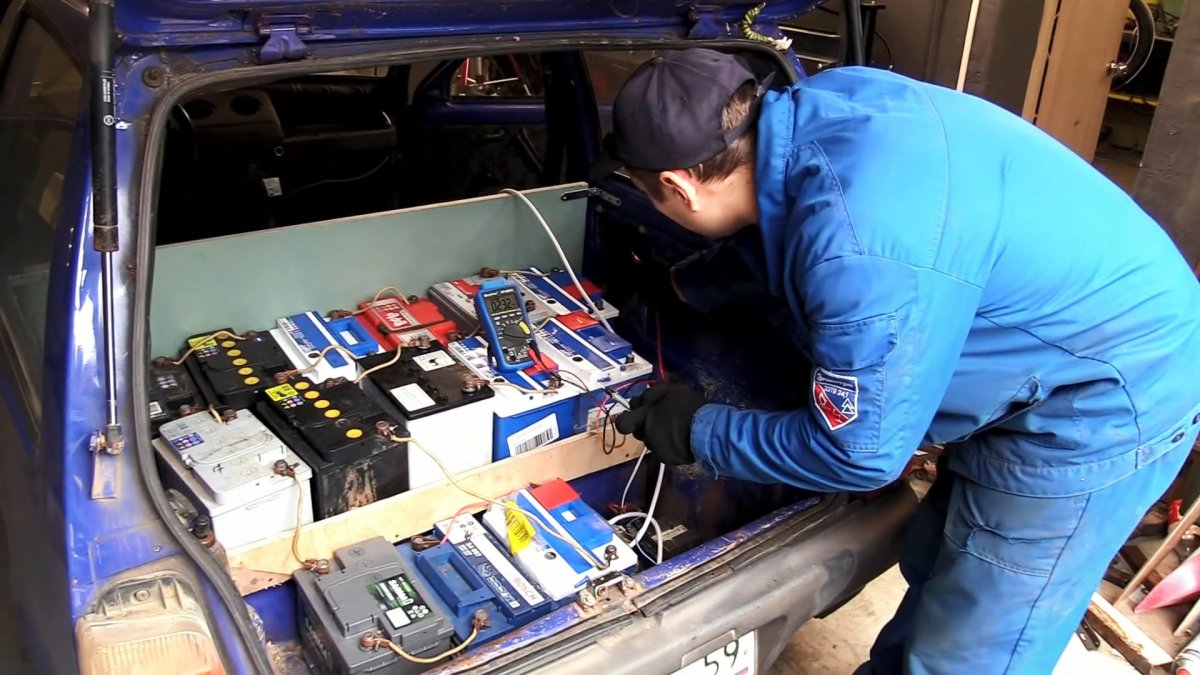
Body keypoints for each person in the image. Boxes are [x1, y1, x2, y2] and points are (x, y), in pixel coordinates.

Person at [600, 48, 1200, 674]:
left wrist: (697, 430)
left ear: (679, 187)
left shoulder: (859, 251)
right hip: (1063, 334)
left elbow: (857, 454)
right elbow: (781, 227)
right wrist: (685, 287)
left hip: (1105, 397)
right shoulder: (828, 105)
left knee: (973, 646)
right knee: (938, 564)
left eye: (647, 193)